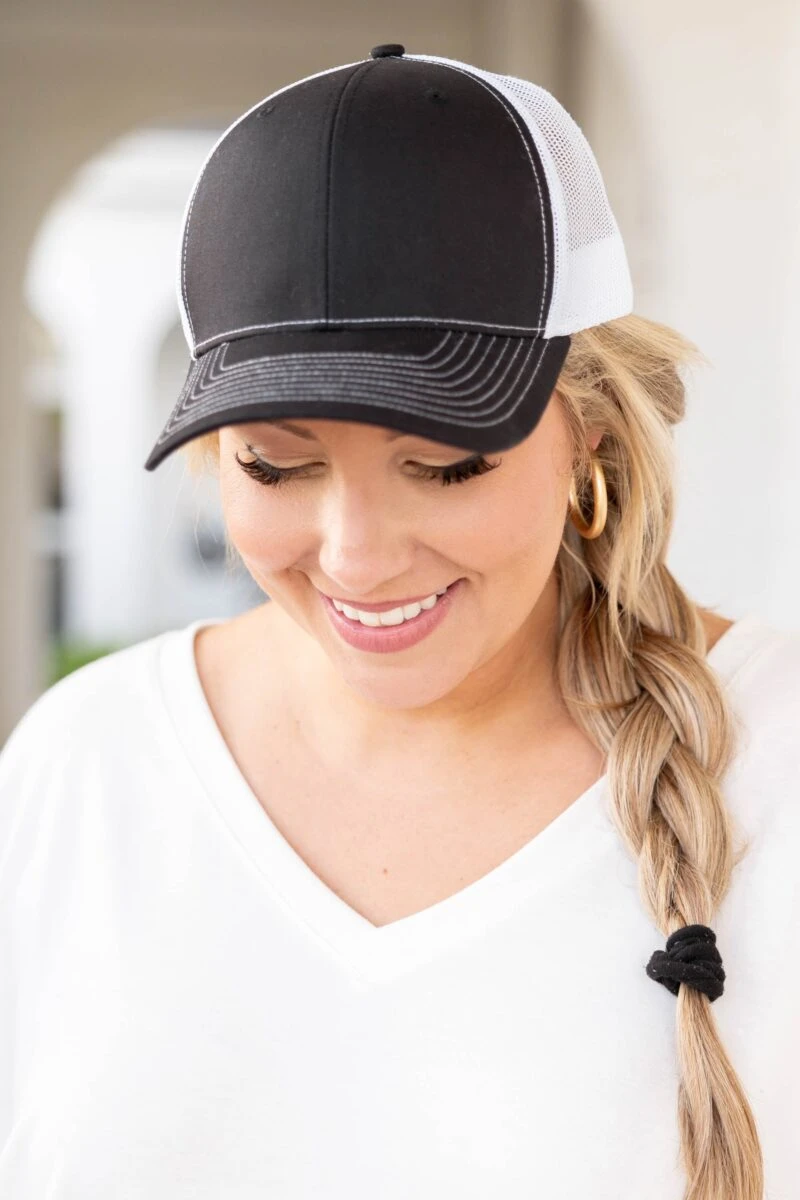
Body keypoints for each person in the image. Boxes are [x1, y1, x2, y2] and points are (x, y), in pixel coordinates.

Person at [1, 44, 797, 1200]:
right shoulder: (85, 767)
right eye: (275, 466)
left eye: (445, 464)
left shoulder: (778, 760)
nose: (355, 558)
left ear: (592, 436)